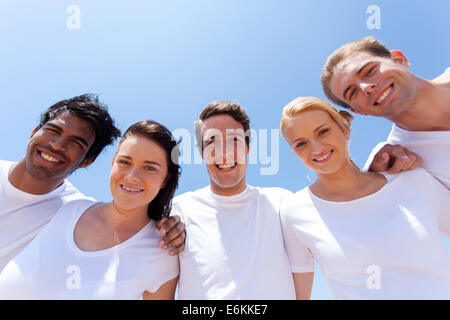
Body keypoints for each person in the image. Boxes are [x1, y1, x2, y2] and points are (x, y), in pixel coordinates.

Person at [279, 96, 450, 299]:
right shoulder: (295, 211)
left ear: (343, 129)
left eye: (323, 132)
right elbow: (299, 295)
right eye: (301, 144)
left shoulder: (413, 179)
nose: (316, 148)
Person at [0, 94, 185, 273]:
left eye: (76, 143)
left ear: (87, 161)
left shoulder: (75, 214)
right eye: (53, 131)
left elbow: (130, 224)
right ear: (34, 132)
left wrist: (172, 228)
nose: (57, 145)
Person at [173, 100, 312, 300]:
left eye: (234, 140)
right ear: (202, 153)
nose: (224, 151)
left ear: (248, 148)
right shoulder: (178, 213)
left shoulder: (281, 203)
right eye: (211, 141)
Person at [322, 36, 450, 188]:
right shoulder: (400, 164)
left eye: (370, 71)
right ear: (358, 111)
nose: (365, 87)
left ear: (399, 59)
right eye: (352, 93)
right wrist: (376, 178)